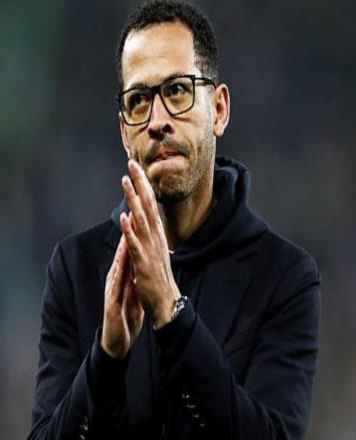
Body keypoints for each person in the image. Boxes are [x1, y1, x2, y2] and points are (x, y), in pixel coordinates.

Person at [28, 1, 321, 439]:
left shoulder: (285, 278)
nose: (158, 121)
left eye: (178, 91)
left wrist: (172, 315)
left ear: (218, 110)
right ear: (125, 132)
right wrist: (106, 358)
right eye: (139, 100)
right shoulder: (76, 269)